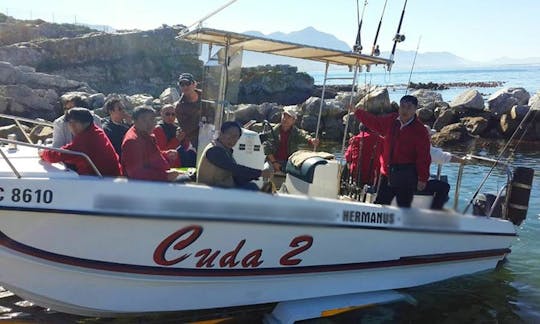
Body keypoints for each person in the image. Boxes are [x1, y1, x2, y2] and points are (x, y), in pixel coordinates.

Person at [353, 95, 431, 207]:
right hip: (387, 174)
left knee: (403, 208)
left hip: (406, 176)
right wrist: (357, 112)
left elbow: (423, 156)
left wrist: (423, 178)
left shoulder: (420, 130)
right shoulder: (391, 120)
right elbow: (374, 122)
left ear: (415, 110)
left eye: (409, 107)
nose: (405, 110)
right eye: (402, 106)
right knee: (380, 206)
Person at [40, 108, 122, 176]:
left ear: (86, 123)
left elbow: (56, 156)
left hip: (101, 180)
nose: (72, 126)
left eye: (75, 123)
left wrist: (43, 153)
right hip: (108, 175)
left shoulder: (86, 140)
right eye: (70, 123)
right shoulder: (96, 131)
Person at [197, 121, 272, 190]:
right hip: (209, 190)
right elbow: (235, 169)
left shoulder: (225, 150)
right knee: (251, 188)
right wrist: (260, 173)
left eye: (235, 137)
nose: (232, 140)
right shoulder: (214, 150)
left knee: (251, 186)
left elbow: (236, 176)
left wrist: (253, 176)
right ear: (221, 134)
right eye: (229, 135)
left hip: (220, 188)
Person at [121, 106, 183, 182]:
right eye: (144, 120)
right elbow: (136, 174)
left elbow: (151, 156)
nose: (150, 124)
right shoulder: (132, 141)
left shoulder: (147, 134)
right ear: (135, 121)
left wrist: (166, 154)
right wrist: (165, 176)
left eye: (152, 119)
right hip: (148, 186)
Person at [262, 107, 320, 172]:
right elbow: (266, 147)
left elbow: (304, 135)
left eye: (288, 117)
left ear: (293, 120)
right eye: (284, 116)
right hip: (273, 160)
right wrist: (274, 162)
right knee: (266, 170)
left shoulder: (295, 132)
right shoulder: (273, 131)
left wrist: (311, 140)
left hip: (289, 162)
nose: (285, 119)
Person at [421, 127, 464, 210]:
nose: (431, 138)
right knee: (444, 187)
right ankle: (434, 212)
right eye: (430, 135)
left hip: (402, 178)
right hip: (415, 182)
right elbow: (444, 157)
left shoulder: (406, 143)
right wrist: (462, 160)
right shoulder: (425, 148)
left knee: (436, 179)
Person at [174, 73, 211, 150]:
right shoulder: (180, 107)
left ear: (194, 84)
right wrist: (198, 115)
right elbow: (186, 129)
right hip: (196, 140)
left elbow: (215, 110)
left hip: (212, 132)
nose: (185, 86)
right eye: (182, 84)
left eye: (187, 83)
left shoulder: (205, 96)